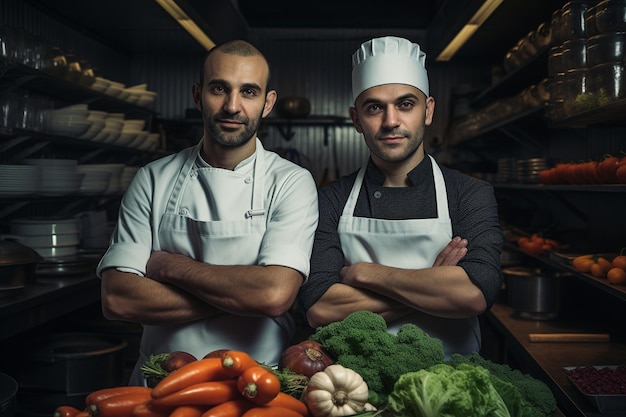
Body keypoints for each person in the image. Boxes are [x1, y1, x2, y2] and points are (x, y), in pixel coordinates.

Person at [96, 40, 319, 385]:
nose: (232, 106)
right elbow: (117, 298)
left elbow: (274, 294)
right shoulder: (153, 178)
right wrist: (244, 296)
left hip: (256, 389)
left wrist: (172, 266)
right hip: (159, 384)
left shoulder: (290, 182)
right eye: (219, 89)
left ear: (268, 103)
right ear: (198, 95)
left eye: (248, 92)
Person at [297, 36, 503, 357]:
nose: (391, 121)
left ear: (428, 110)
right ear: (356, 120)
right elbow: (320, 308)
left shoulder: (469, 194)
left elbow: (474, 295)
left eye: (406, 104)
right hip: (353, 384)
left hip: (451, 382)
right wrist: (433, 285)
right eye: (375, 107)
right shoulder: (330, 200)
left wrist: (366, 274)